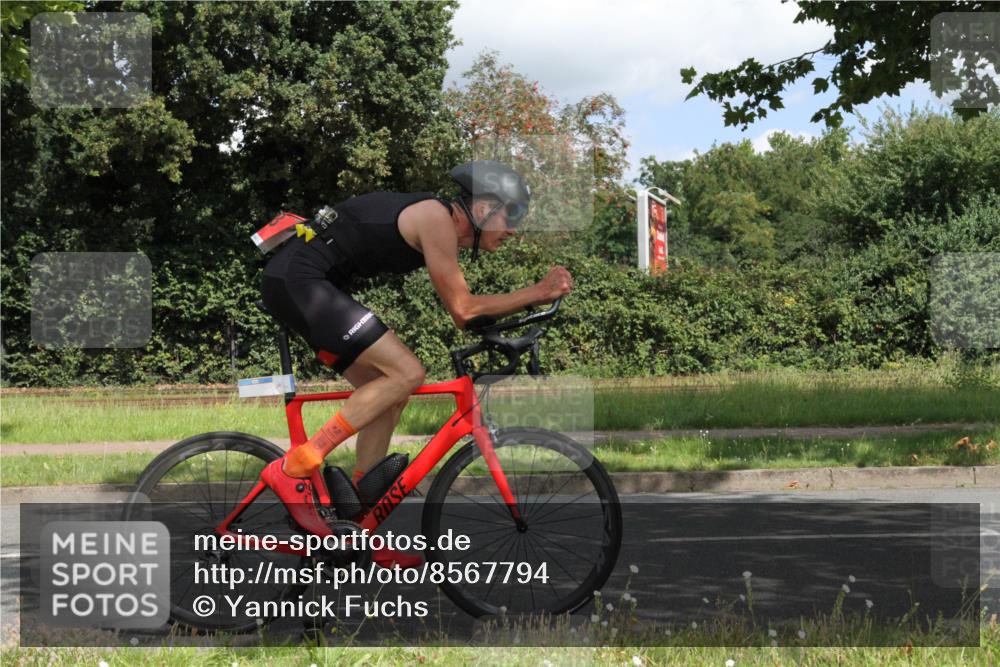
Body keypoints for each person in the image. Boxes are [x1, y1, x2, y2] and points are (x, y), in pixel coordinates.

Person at [258, 160, 573, 567]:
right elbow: (464, 310)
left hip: (306, 284)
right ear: (481, 210)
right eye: (511, 215)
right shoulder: (436, 218)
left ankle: (357, 526)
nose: (514, 229)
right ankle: (296, 466)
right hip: (300, 282)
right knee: (407, 372)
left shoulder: (439, 222)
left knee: (389, 395)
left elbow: (470, 313)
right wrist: (538, 291)